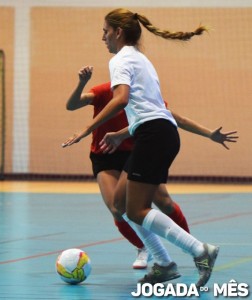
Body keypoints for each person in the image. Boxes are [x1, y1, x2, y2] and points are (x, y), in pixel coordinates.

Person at [62, 8, 225, 287]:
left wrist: (87, 129)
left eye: (105, 31)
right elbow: (151, 110)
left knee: (137, 210)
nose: (103, 37)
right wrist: (122, 133)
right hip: (157, 133)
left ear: (118, 32)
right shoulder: (141, 59)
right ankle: (163, 264)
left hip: (154, 136)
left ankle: (200, 250)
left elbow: (122, 99)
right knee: (121, 205)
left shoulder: (121, 60)